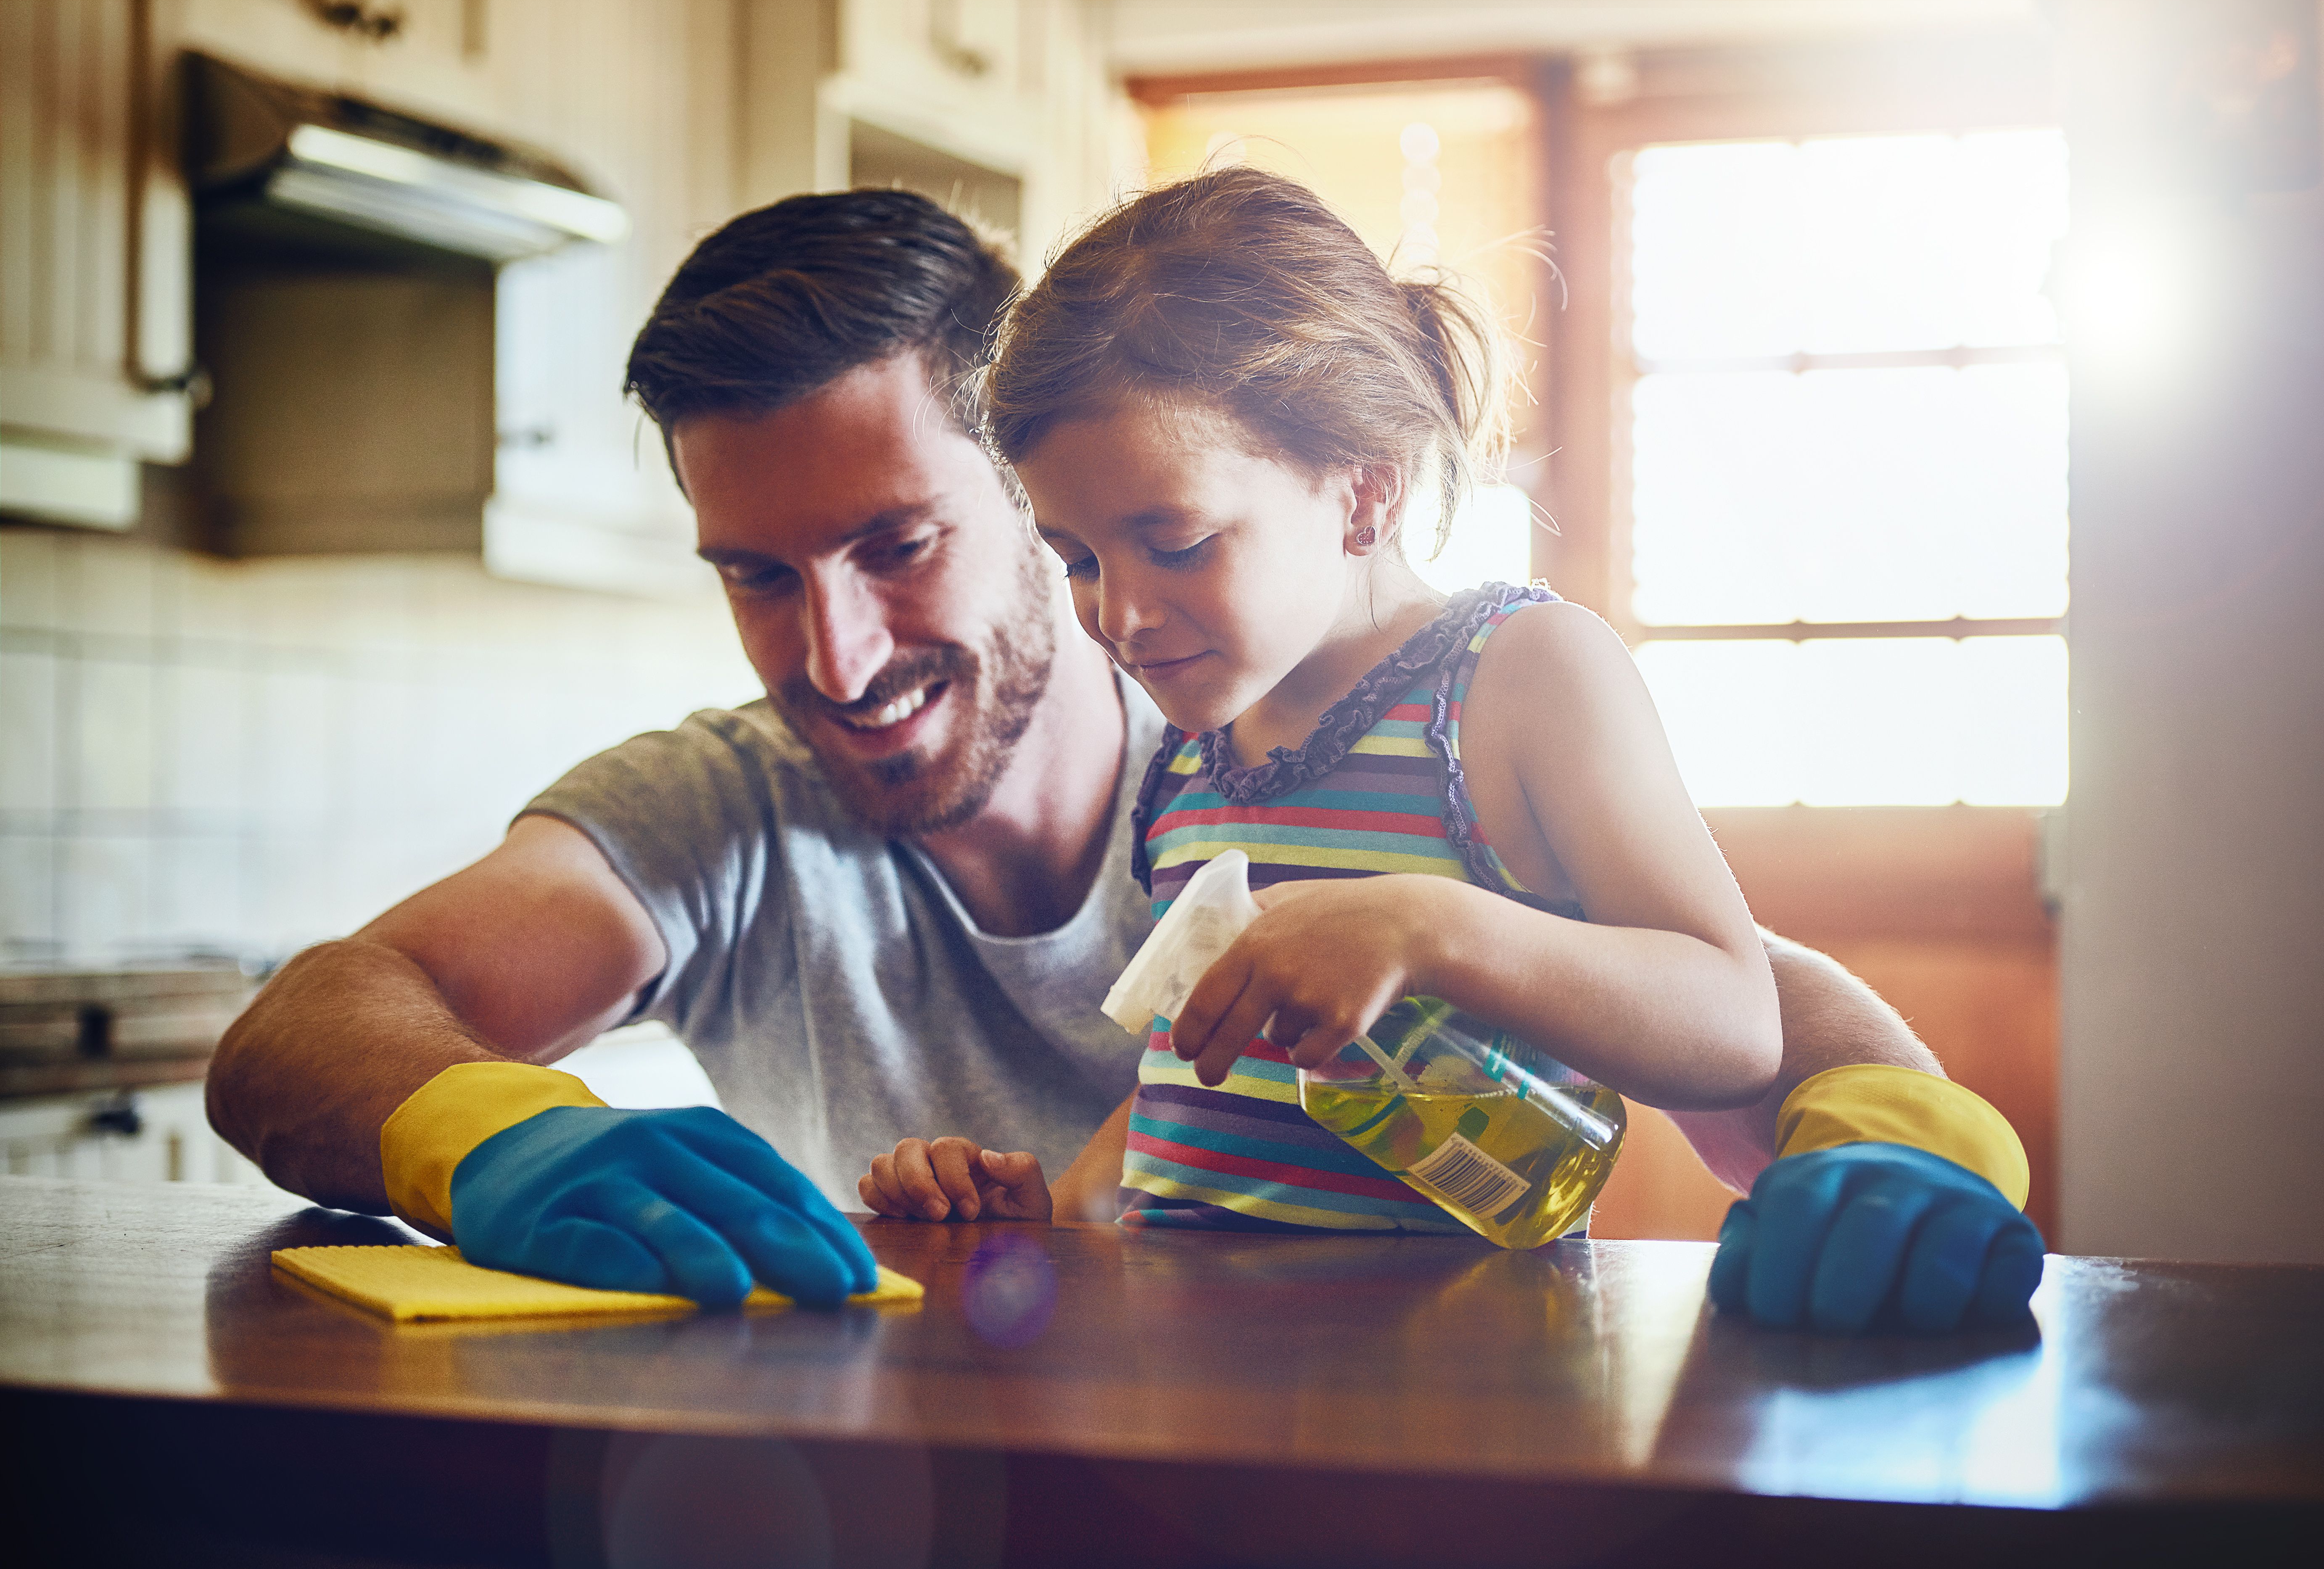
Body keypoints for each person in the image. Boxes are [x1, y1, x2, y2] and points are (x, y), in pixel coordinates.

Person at [206, 186, 2039, 1333]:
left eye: (899, 545)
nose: (835, 657)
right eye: (756, 576)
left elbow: (1734, 993)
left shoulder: (1294, 698)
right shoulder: (746, 804)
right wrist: (482, 1133)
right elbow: (303, 1027)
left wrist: (1900, 1136)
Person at [853, 169, 2042, 1329]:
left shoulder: (1518, 678)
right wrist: (1054, 1212)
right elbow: (1193, 1090)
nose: (1118, 613)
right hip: (1198, 1382)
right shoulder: (1191, 753)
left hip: (1458, 1382)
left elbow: (1733, 1023)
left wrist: (1427, 925)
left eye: (1177, 544)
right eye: (1076, 558)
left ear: (1365, 495)